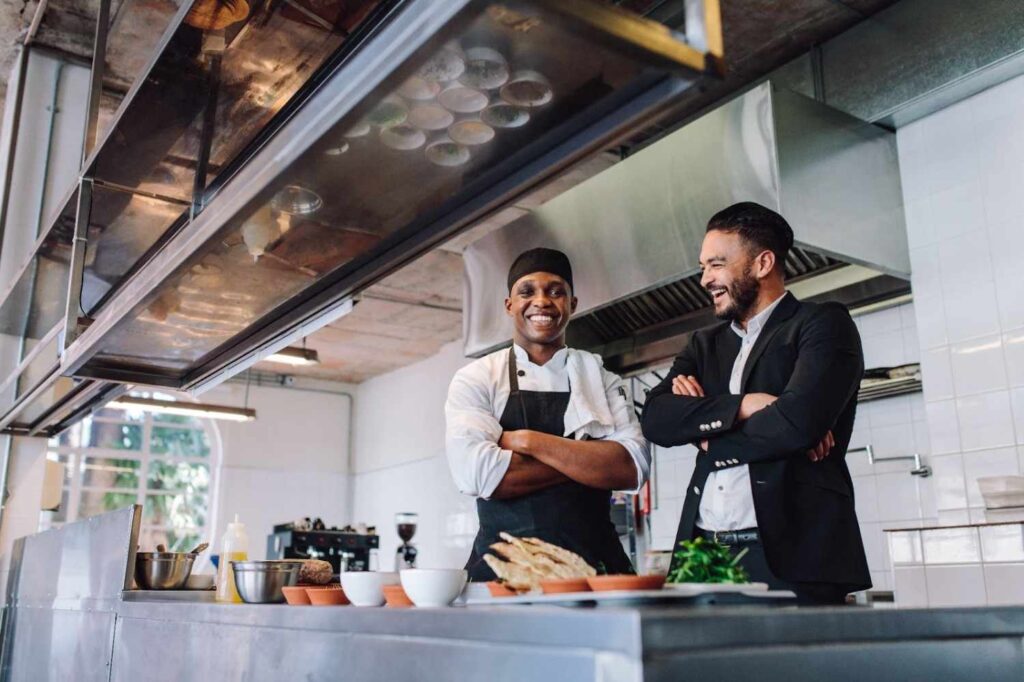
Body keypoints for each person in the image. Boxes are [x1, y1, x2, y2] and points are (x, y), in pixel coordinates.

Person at [641, 202, 870, 604]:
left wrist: (707, 437)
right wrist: (744, 406)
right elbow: (657, 420)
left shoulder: (822, 324)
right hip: (705, 553)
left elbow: (797, 423)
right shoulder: (704, 344)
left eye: (715, 265)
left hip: (794, 555)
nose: (704, 280)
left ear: (762, 263)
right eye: (703, 267)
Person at [445, 247, 650, 580]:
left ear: (572, 304)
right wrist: (589, 460)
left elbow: (631, 468)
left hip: (594, 568)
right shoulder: (478, 377)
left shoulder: (602, 379)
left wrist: (526, 441)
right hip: (503, 569)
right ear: (509, 305)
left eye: (556, 291)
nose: (541, 301)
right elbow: (478, 476)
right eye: (527, 291)